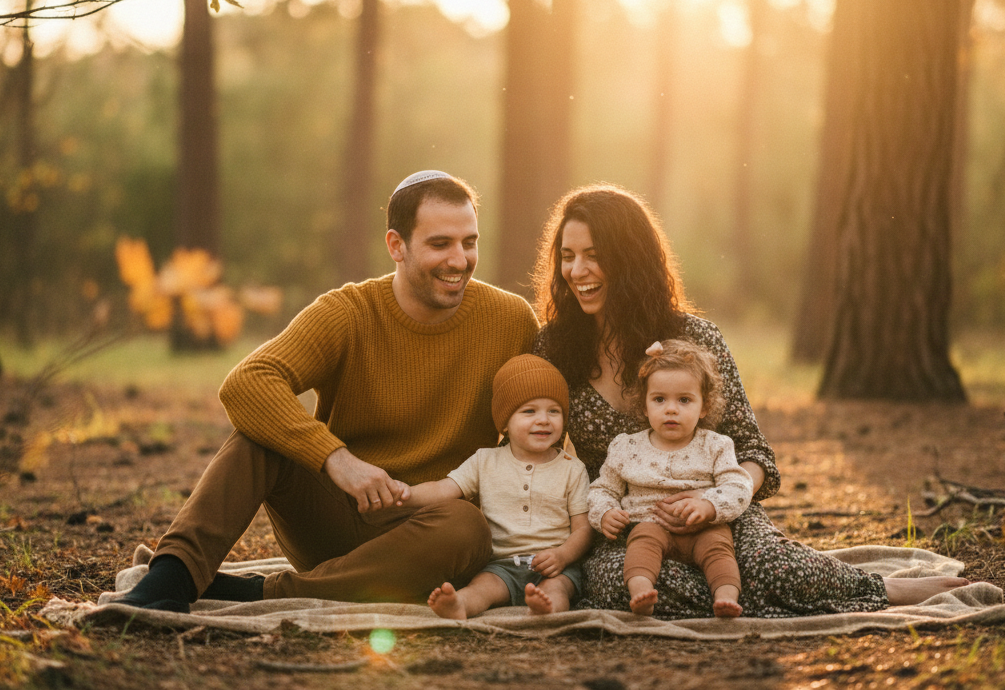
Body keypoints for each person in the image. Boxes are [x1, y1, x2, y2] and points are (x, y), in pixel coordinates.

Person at [531, 184, 969, 619]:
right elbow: (532, 440)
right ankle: (745, 591)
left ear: (629, 258)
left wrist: (712, 502)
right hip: (627, 527)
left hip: (721, 514)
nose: (577, 270)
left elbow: (753, 452)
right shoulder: (555, 349)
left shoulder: (697, 339)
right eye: (567, 257)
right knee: (616, 584)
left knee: (766, 566)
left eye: (593, 255)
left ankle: (881, 588)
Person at [116, 170, 539, 613]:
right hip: (334, 519)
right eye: (440, 244)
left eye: (469, 242)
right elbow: (248, 381)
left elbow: (548, 410)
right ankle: (172, 576)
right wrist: (337, 460)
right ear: (396, 245)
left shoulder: (510, 320)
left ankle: (259, 594)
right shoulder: (349, 312)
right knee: (258, 438)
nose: (459, 260)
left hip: (432, 534)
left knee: (468, 526)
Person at [392, 354, 592, 618]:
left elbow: (583, 529)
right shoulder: (485, 460)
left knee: (558, 589)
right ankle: (459, 604)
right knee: (481, 588)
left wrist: (563, 556)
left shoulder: (572, 468)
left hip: (555, 566)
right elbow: (444, 489)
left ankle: (546, 609)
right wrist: (406, 493)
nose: (544, 419)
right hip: (501, 565)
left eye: (553, 411)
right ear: (505, 422)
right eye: (529, 411)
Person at [588, 339, 752, 618]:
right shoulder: (626, 448)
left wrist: (710, 505)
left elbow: (738, 485)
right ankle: (641, 593)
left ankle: (725, 598)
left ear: (704, 407)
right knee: (640, 546)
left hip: (704, 527)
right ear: (644, 406)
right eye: (659, 399)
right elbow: (603, 488)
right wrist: (605, 512)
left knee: (720, 552)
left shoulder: (715, 445)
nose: (671, 409)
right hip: (650, 524)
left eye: (684, 400)